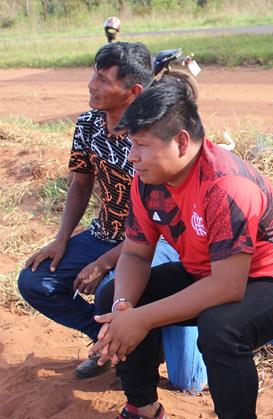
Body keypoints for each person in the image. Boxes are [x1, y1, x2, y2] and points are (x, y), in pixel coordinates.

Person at [86, 77, 273, 419]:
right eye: (130, 145)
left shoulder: (225, 185)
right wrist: (123, 311)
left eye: (142, 146)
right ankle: (143, 410)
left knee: (222, 328)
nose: (132, 157)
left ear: (182, 140)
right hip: (208, 272)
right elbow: (135, 251)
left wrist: (141, 319)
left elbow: (229, 288)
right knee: (111, 294)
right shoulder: (148, 179)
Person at [17, 41, 206, 390]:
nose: (92, 84)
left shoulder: (155, 138)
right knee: (35, 281)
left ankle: (130, 346)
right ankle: (109, 338)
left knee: (112, 289)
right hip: (104, 234)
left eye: (103, 79)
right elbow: (80, 184)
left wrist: (104, 264)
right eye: (94, 74)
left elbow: (162, 222)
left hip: (152, 241)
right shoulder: (88, 124)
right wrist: (61, 240)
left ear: (132, 91)